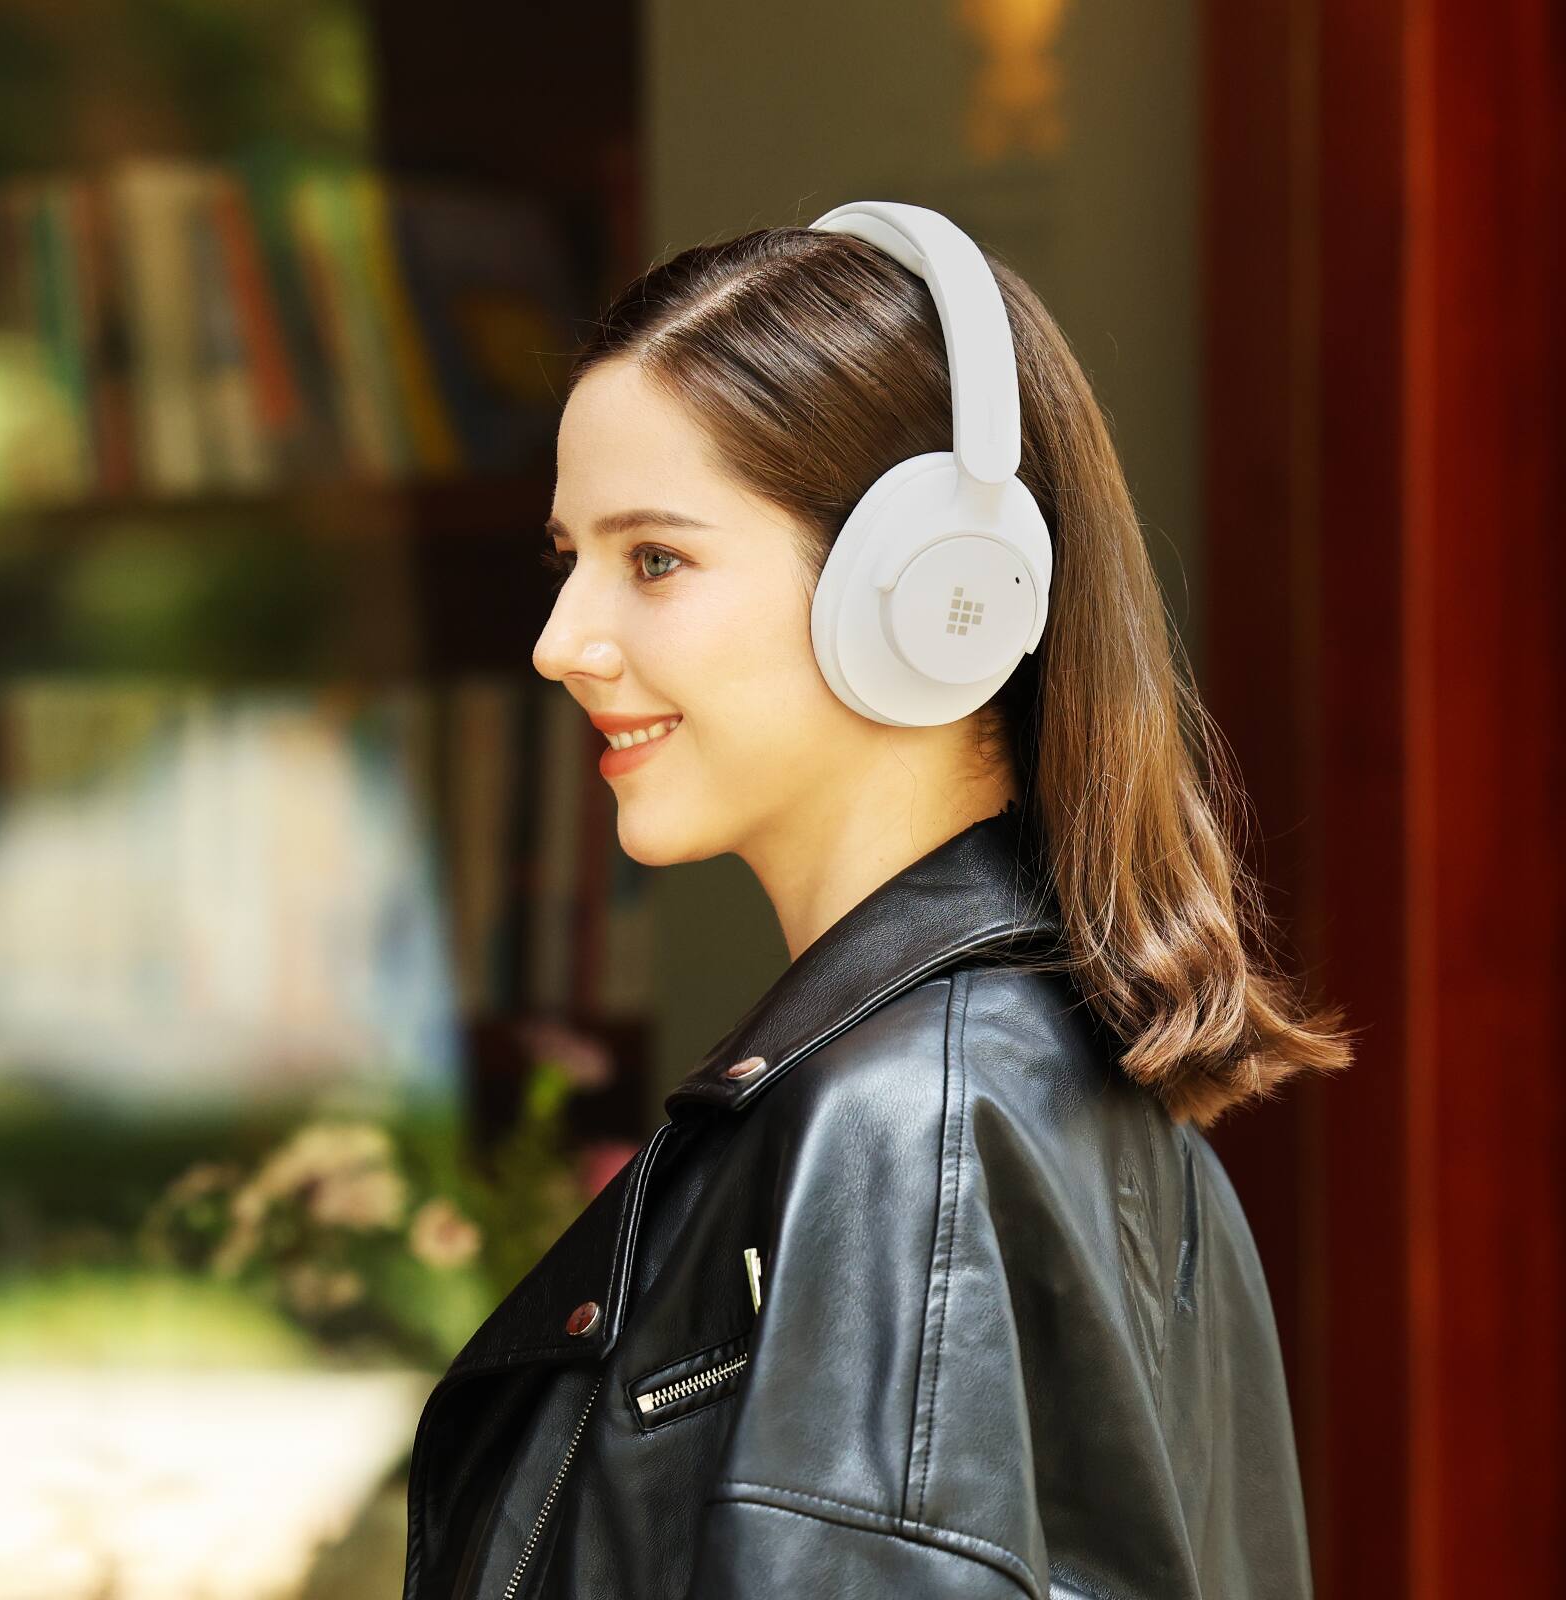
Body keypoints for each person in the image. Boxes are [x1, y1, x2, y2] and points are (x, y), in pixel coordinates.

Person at [398, 203, 1354, 1599]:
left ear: (931, 592)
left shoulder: (908, 1129)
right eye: (570, 559)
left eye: (654, 558)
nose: (561, 643)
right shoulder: (1047, 1083)